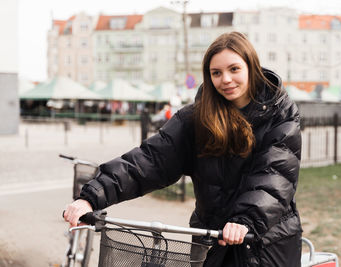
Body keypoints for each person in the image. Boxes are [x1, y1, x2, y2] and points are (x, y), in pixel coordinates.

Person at [63, 31, 302, 266]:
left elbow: (275, 173)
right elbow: (150, 160)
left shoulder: (280, 113)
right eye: (216, 73)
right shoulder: (196, 118)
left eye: (234, 69)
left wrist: (246, 220)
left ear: (251, 67)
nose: (226, 79)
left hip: (265, 243)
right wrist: (92, 197)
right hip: (210, 239)